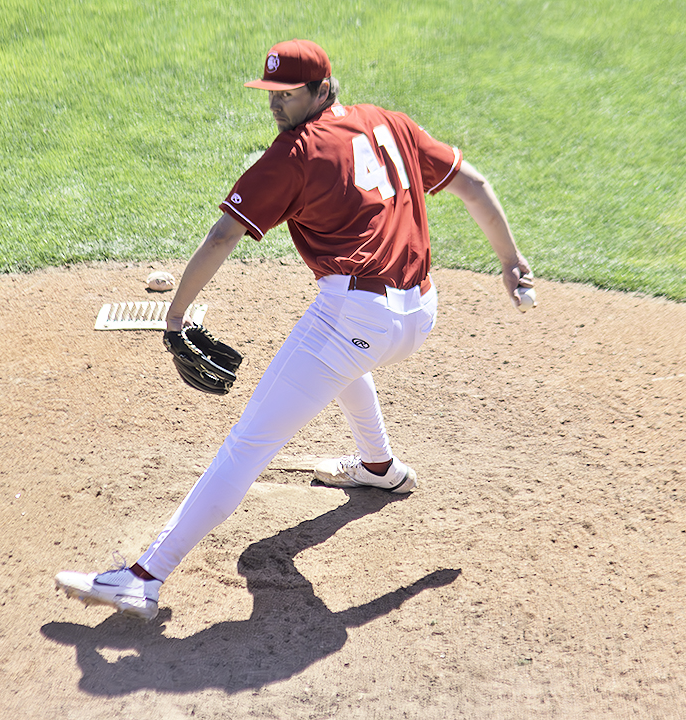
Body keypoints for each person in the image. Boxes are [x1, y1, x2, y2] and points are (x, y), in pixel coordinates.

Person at [56, 39, 534, 620]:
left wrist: (175, 314)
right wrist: (510, 261)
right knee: (335, 355)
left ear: (323, 89)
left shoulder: (296, 154)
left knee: (247, 444)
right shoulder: (391, 124)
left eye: (289, 94)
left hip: (358, 317)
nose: (277, 104)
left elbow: (222, 237)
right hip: (420, 314)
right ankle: (379, 466)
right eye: (271, 93)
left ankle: (142, 576)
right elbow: (474, 185)